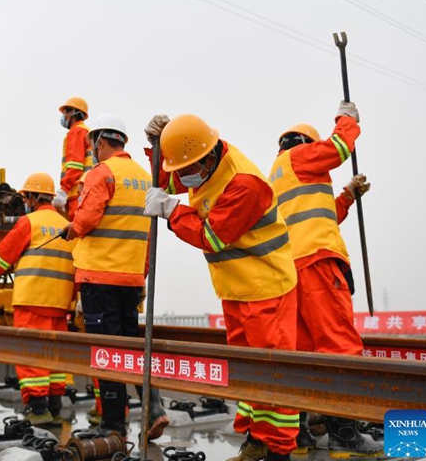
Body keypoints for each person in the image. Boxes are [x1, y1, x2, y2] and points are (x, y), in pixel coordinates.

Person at [143, 114, 299, 461]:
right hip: (236, 288)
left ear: (209, 158)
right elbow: (170, 181)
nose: (182, 179)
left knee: (270, 374)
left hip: (267, 289)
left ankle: (279, 451)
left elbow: (212, 237)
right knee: (246, 372)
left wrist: (171, 212)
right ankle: (257, 440)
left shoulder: (244, 184)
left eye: (186, 169)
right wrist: (157, 147)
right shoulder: (203, 161)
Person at [269, 103, 381, 457]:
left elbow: (321, 215)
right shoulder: (302, 155)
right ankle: (344, 436)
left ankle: (299, 435)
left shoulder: (279, 173)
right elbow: (340, 147)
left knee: (301, 351)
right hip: (318, 264)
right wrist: (348, 118)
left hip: (290, 272)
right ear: (304, 143)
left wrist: (347, 195)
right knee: (339, 346)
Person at [65, 114, 169, 440]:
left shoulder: (102, 173)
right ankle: (155, 407)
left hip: (100, 277)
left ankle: (114, 426)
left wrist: (71, 228)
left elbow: (87, 218)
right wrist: (142, 272)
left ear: (99, 142)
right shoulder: (141, 176)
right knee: (132, 348)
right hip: (131, 279)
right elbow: (148, 232)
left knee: (108, 354)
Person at [0, 173, 74, 425]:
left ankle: (37, 410)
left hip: (32, 299)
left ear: (34, 198)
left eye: (26, 197)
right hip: (59, 303)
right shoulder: (65, 224)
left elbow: (2, 259)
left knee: (31, 354)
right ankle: (54, 407)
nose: (25, 201)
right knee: (53, 355)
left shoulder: (29, 223)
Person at [53, 97, 93, 220]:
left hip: (77, 191)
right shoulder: (86, 131)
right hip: (85, 189)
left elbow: (75, 166)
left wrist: (64, 190)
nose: (63, 117)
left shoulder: (77, 131)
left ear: (73, 112)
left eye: (65, 112)